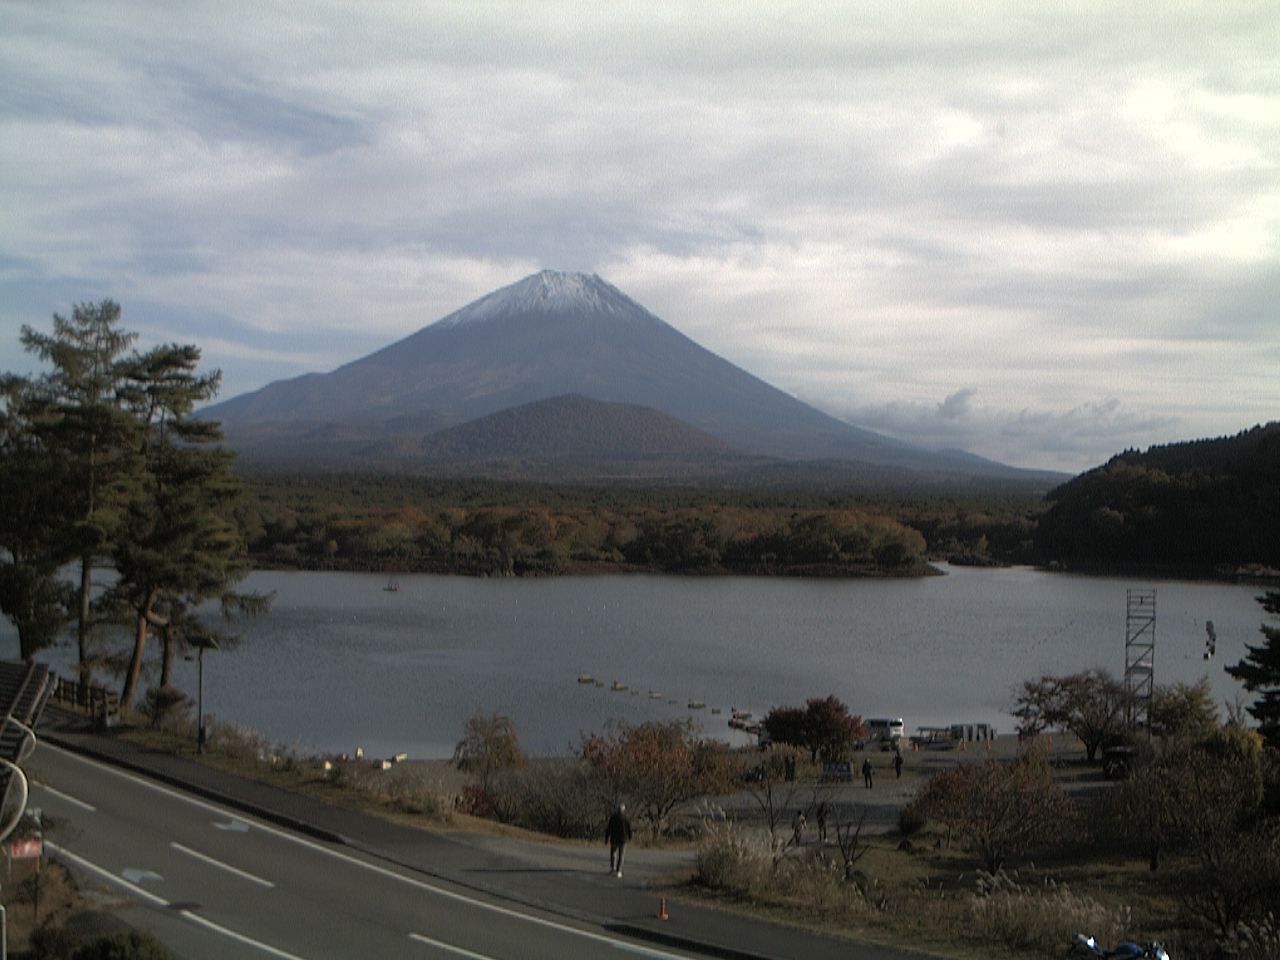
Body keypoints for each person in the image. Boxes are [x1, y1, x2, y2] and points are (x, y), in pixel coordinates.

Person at [605, 803, 632, 877]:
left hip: (614, 838)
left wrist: (606, 838)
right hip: (623, 839)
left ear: (617, 810)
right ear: (623, 810)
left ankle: (613, 868)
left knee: (613, 853)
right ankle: (619, 870)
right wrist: (630, 837)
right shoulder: (626, 818)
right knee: (621, 855)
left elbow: (609, 829)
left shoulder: (613, 818)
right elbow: (629, 829)